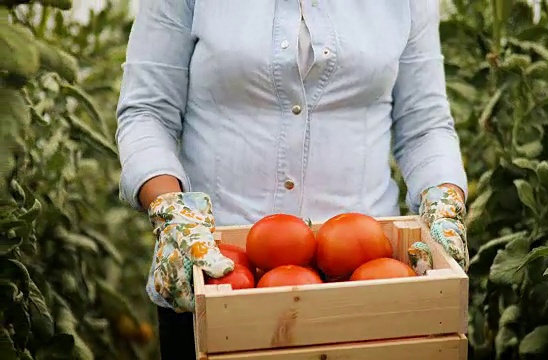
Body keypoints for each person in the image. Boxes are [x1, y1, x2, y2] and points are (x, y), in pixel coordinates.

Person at [115, 0, 469, 358]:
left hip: (369, 283)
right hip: (215, 272)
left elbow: (426, 125)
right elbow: (147, 112)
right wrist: (172, 213)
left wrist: (444, 202)